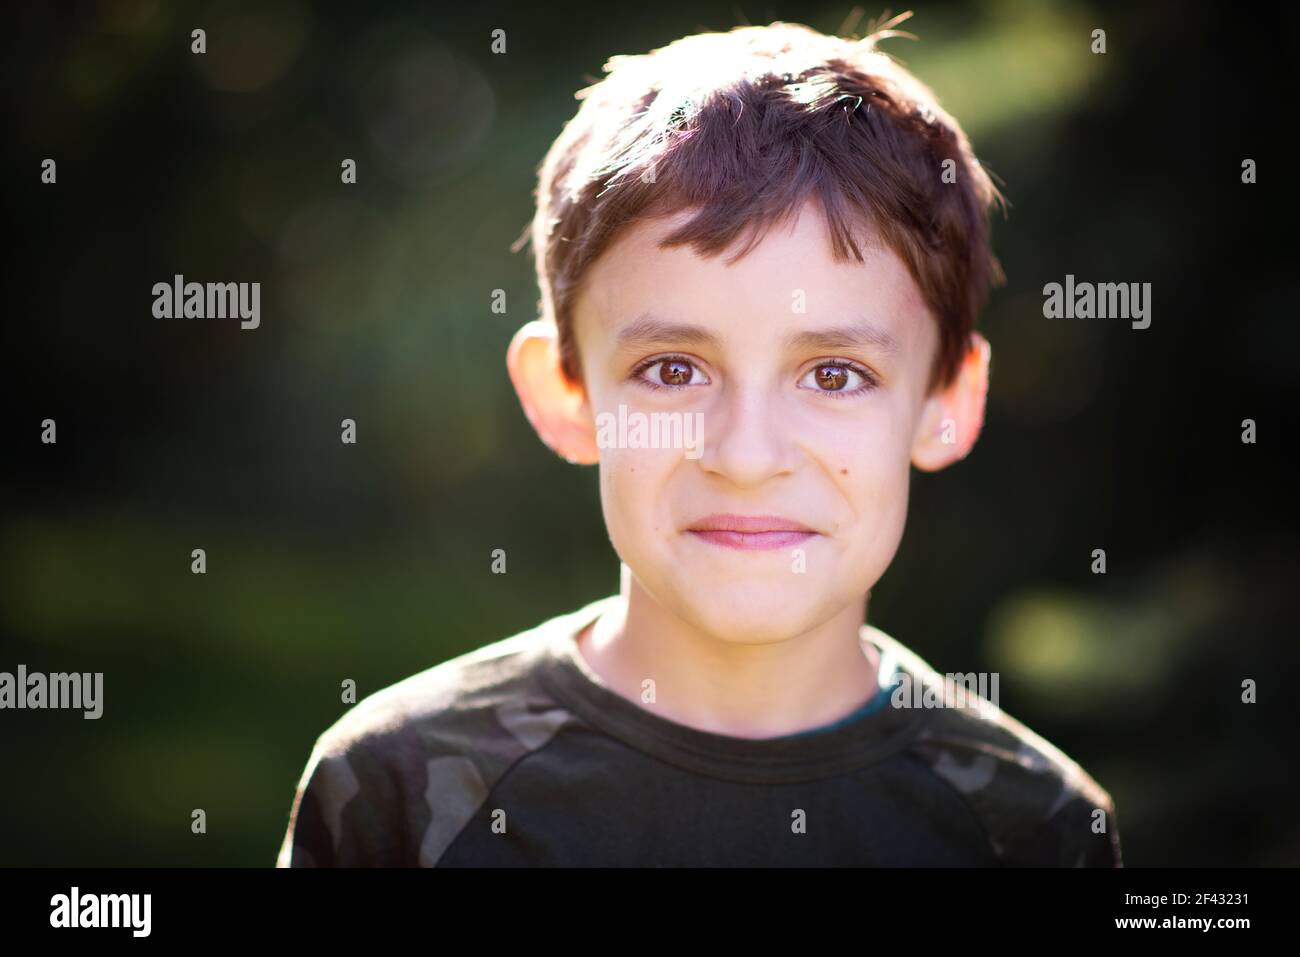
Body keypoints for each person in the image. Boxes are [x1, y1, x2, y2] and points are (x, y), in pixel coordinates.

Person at [277, 15, 1122, 867]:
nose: (747, 457)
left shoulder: (1036, 829)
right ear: (566, 396)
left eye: (834, 375)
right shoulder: (396, 791)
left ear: (947, 404)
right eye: (673, 370)